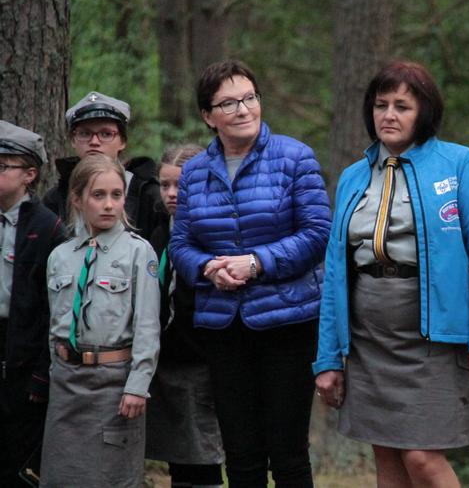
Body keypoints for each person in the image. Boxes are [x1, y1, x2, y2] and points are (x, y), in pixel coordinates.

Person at [314, 61, 469, 488]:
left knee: (422, 458)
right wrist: (327, 358)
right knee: (387, 457)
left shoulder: (459, 164)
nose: (389, 115)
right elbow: (335, 272)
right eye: (381, 105)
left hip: (435, 338)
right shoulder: (354, 176)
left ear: (424, 112)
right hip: (369, 338)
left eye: (402, 106)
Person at [170, 59, 331, 487]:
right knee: (241, 455)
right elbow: (180, 245)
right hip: (224, 327)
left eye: (249, 98)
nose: (243, 109)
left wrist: (256, 262)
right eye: (229, 103)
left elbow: (318, 233)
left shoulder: (295, 157)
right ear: (208, 116)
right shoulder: (194, 173)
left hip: (288, 324)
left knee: (288, 453)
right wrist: (207, 268)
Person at [40, 155, 161, 487]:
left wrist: (137, 385)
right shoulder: (60, 255)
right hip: (67, 383)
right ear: (77, 199)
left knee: (113, 476)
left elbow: (147, 326)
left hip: (114, 383)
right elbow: (55, 323)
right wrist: (56, 370)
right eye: (98, 195)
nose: (109, 205)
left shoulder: (138, 252)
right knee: (61, 476)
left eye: (116, 195)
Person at [145, 144, 224, 488]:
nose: (172, 194)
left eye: (181, 184)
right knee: (177, 457)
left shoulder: (215, 232)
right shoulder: (160, 231)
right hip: (165, 360)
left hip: (202, 361)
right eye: (165, 185)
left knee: (202, 453)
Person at [0, 121, 66, 487]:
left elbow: (52, 309)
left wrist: (42, 374)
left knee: (18, 458)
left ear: (29, 175)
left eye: (2, 166)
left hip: (23, 356)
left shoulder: (47, 227)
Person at [43, 91, 165, 238]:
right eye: (84, 134)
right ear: (73, 140)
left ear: (123, 141)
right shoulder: (56, 198)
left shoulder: (148, 195)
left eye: (106, 134)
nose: (94, 142)